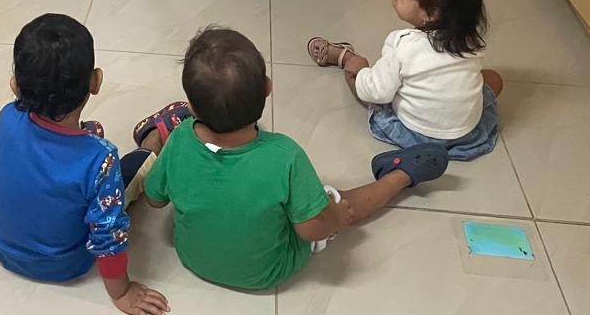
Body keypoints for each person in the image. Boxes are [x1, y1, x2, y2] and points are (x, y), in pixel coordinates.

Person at [143, 27, 448, 291]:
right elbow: (311, 230)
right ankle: (401, 175)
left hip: (194, 258)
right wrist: (336, 217)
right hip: (270, 269)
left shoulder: (180, 138)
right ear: (268, 88)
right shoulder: (284, 155)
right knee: (333, 201)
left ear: (191, 108)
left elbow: (155, 199)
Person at [0, 14, 171, 315]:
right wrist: (122, 293)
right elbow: (108, 235)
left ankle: (76, 134)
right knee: (126, 173)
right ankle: (153, 140)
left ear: (16, 86)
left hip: (3, 247)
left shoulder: (7, 115)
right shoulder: (101, 159)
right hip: (65, 263)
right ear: (95, 81)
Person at [307, 0, 503, 161]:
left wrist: (362, 73)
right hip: (467, 137)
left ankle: (347, 58)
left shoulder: (403, 44)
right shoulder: (471, 41)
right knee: (493, 79)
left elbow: (378, 92)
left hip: (415, 135)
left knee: (361, 77)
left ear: (431, 14)